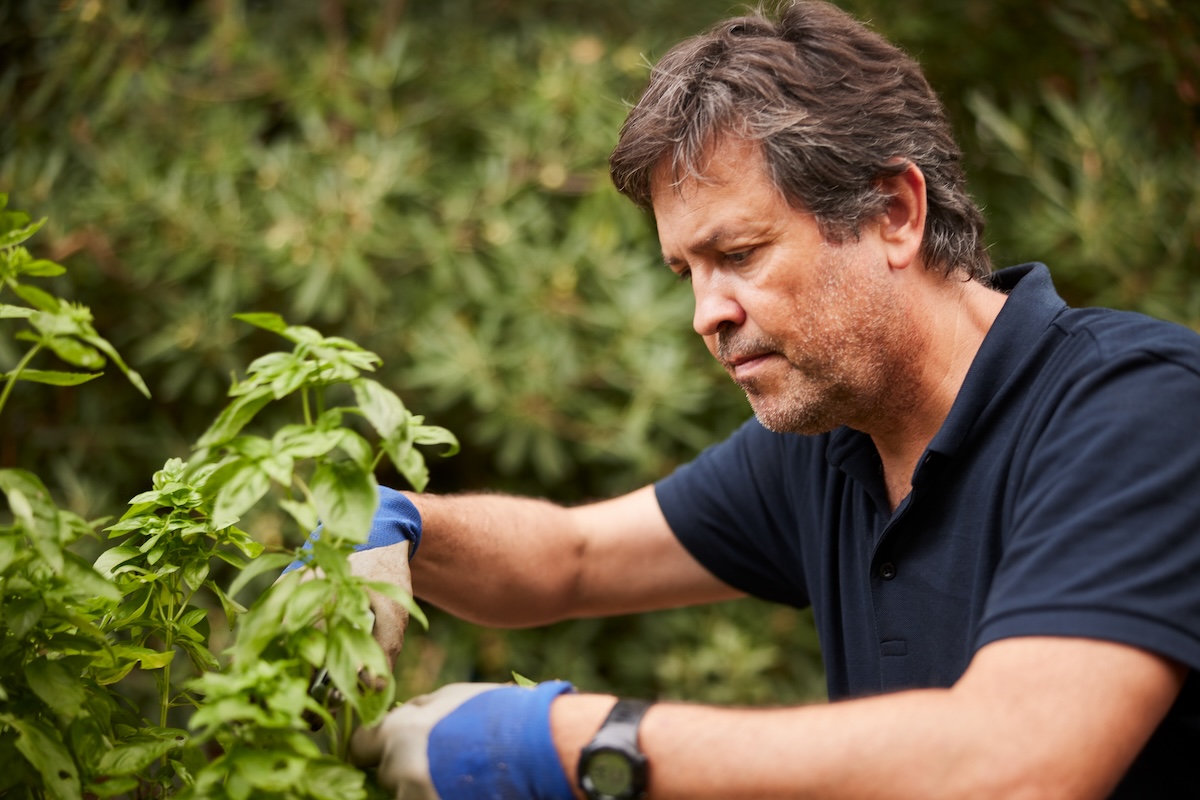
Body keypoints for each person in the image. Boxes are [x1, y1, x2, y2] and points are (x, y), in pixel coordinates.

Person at [333, 1, 1200, 797]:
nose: (706, 315)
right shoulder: (833, 440)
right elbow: (574, 557)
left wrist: (577, 745)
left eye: (739, 254)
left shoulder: (1136, 409)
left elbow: (1022, 766)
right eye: (687, 273)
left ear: (894, 212)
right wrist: (404, 525)